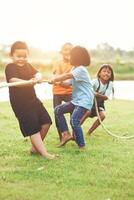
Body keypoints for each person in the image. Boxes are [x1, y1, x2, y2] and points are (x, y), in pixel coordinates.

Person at [5, 41, 55, 159]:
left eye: (25, 56)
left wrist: (37, 77)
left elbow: (38, 73)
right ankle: (44, 153)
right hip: (21, 104)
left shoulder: (28, 66)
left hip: (33, 100)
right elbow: (13, 81)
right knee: (33, 127)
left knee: (46, 121)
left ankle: (34, 148)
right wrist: (28, 82)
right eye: (19, 56)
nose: (22, 59)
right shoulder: (10, 67)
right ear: (12, 56)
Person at [49, 46, 94, 149]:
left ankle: (82, 146)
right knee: (58, 110)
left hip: (84, 101)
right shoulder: (75, 69)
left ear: (76, 57)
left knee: (74, 120)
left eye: (71, 55)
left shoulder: (81, 69)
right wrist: (57, 82)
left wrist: (55, 79)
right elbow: (67, 83)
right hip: (77, 101)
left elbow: (66, 76)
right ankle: (66, 134)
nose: (69, 57)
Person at [80, 64, 114, 135]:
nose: (106, 73)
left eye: (108, 72)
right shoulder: (95, 81)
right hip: (89, 102)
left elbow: (106, 97)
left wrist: (97, 94)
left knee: (102, 116)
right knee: (87, 112)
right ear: (99, 73)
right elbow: (87, 89)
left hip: (99, 104)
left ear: (111, 75)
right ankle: (75, 130)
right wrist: (94, 93)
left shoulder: (110, 84)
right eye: (104, 71)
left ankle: (89, 132)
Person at [52, 43, 73, 141]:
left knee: (74, 112)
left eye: (70, 50)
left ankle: (74, 134)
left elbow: (71, 77)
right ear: (61, 52)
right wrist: (54, 79)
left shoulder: (75, 64)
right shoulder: (57, 62)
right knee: (57, 112)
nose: (67, 52)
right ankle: (62, 136)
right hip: (57, 91)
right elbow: (56, 74)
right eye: (65, 49)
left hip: (70, 91)